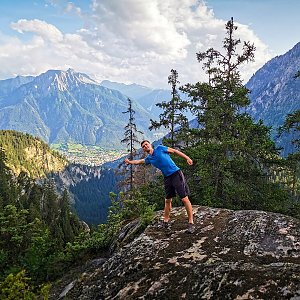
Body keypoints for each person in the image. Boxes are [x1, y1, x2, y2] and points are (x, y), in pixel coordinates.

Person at [125, 140, 195, 233]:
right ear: (143, 149)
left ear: (150, 145)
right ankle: (165, 221)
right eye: (143, 146)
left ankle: (191, 223)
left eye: (146, 144)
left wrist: (187, 158)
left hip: (176, 174)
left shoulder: (160, 148)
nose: (145, 146)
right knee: (167, 200)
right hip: (167, 177)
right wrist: (130, 162)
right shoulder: (149, 158)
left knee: (184, 198)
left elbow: (175, 151)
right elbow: (139, 161)